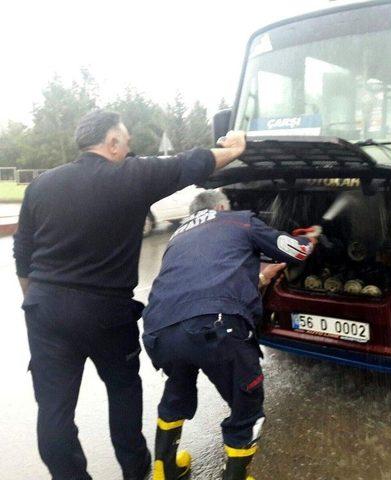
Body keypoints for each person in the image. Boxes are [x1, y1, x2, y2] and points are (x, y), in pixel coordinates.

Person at [13, 110, 246, 480]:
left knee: (54, 411)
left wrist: (39, 304)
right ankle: (137, 473)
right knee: (123, 393)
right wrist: (234, 149)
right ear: (112, 143)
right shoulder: (130, 176)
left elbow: (22, 256)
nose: (129, 149)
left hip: (45, 308)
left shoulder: (42, 185)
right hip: (106, 311)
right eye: (126, 143)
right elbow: (190, 164)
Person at [141, 189, 317, 480]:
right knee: (246, 406)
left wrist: (261, 278)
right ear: (222, 207)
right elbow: (296, 252)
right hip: (216, 328)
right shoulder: (238, 220)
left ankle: (165, 469)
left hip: (159, 330)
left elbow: (204, 279)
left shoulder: (179, 235)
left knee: (178, 388)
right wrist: (309, 239)